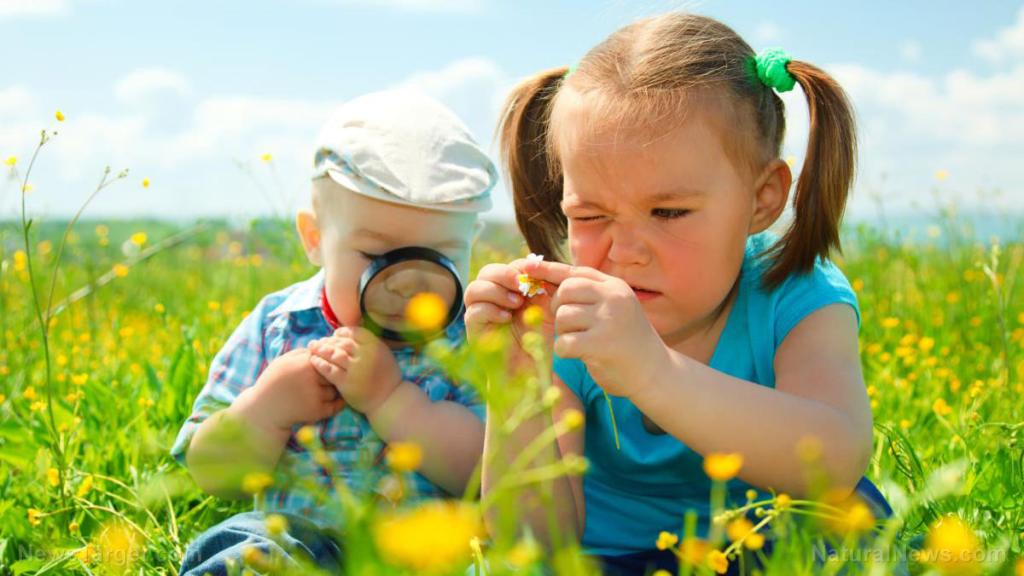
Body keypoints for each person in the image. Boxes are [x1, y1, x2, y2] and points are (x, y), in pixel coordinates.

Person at [465, 12, 893, 575]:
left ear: (762, 199)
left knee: (857, 537)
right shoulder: (564, 320)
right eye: (590, 215)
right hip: (608, 560)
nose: (625, 252)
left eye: (668, 212)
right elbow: (532, 543)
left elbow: (835, 463)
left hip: (769, 552)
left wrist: (652, 372)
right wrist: (515, 379)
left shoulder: (795, 295)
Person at [173, 89, 497, 575]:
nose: (408, 282)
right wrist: (266, 407)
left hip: (429, 555)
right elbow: (210, 472)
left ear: (471, 240)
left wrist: (392, 400)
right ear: (314, 238)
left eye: (441, 257)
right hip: (299, 549)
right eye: (376, 257)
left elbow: (488, 476)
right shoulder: (278, 324)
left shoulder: (474, 337)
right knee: (246, 544)